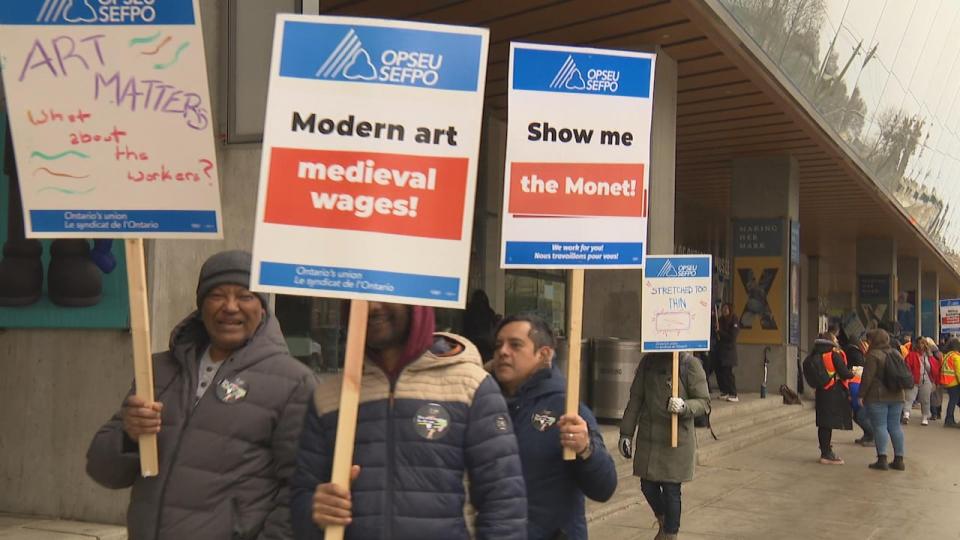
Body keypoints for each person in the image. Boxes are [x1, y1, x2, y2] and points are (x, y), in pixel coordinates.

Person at [86, 250, 317, 540]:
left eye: (245, 296)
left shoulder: (293, 383)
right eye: (217, 295)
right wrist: (128, 435)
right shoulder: (157, 371)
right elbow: (103, 471)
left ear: (263, 307)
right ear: (201, 305)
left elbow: (302, 489)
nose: (230, 307)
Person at [290, 302, 526, 539]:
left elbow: (503, 503)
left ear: (415, 303)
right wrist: (316, 511)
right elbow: (302, 500)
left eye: (384, 293)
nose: (372, 307)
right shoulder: (330, 397)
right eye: (361, 298)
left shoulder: (470, 386)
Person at [486, 312, 616, 539]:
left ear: (543, 354)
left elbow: (604, 487)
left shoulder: (567, 408)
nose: (503, 352)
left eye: (515, 345)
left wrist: (586, 449)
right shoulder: (483, 404)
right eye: (499, 345)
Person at [619, 352, 710, 540]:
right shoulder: (648, 362)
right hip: (649, 438)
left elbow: (704, 402)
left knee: (671, 490)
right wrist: (626, 433)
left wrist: (685, 406)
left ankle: (670, 534)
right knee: (647, 486)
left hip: (675, 438)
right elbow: (635, 399)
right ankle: (663, 521)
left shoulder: (689, 364)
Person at [860, 329, 907, 471]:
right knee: (895, 427)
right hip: (898, 395)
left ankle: (882, 459)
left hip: (878, 396)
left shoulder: (873, 355)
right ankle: (899, 460)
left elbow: (867, 378)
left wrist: (861, 395)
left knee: (880, 426)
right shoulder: (896, 353)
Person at [806, 332, 853, 464]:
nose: (837, 340)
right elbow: (844, 373)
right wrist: (852, 373)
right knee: (828, 424)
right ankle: (827, 454)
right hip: (832, 392)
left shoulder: (814, 354)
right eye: (835, 338)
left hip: (821, 392)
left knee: (823, 423)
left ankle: (824, 450)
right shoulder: (833, 355)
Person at [903, 336, 940, 425]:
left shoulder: (929, 356)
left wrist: (935, 381)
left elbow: (934, 368)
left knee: (925, 399)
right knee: (909, 398)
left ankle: (924, 417)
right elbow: (906, 366)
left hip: (926, 380)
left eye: (924, 343)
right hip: (913, 379)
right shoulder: (911, 355)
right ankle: (906, 414)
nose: (922, 345)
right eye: (920, 343)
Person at [844, 334, 873, 445]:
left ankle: (873, 436)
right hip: (858, 387)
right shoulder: (859, 353)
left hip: (863, 390)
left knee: (861, 416)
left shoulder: (870, 356)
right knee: (857, 416)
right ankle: (868, 435)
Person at [463, 289, 499, 362]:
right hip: (486, 343)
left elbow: (465, 326)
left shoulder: (469, 311)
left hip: (471, 341)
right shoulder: (489, 312)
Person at [715, 302, 740, 402]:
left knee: (728, 373)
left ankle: (733, 393)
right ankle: (725, 391)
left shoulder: (734, 320)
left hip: (729, 352)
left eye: (726, 309)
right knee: (720, 372)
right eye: (723, 309)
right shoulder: (720, 320)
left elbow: (732, 337)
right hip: (720, 351)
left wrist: (720, 331)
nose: (724, 311)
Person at [941, 337, 960, 428]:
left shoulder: (947, 355)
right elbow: (959, 371)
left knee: (954, 401)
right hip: (955, 383)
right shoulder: (956, 357)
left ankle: (949, 419)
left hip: (948, 382)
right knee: (953, 401)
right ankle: (949, 420)